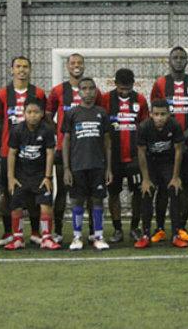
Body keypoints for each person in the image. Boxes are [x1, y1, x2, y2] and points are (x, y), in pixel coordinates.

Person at [150, 46, 188, 243]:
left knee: (187, 185)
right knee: (164, 186)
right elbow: (156, 113)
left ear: (187, 61)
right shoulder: (160, 84)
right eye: (175, 57)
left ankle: (181, 227)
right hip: (164, 146)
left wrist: (183, 135)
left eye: (182, 57)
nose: (179, 60)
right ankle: (159, 228)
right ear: (169, 60)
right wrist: (172, 137)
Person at [47, 53, 102, 243]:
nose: (76, 65)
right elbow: (47, 116)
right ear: (67, 66)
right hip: (66, 149)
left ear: (84, 66)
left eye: (80, 62)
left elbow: (97, 116)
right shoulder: (57, 91)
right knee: (63, 190)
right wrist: (62, 132)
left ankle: (94, 232)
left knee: (90, 193)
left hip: (88, 150)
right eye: (73, 63)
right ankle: (59, 231)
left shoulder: (95, 92)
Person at [0, 56, 47, 246]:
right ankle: (10, 232)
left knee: (34, 192)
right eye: (18, 67)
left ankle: (34, 232)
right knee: (8, 193)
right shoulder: (2, 94)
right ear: (11, 70)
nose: (21, 70)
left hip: (34, 152)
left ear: (30, 70)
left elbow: (44, 120)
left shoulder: (39, 93)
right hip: (10, 152)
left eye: (25, 67)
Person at [62, 78, 112, 251]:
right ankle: (77, 237)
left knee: (97, 201)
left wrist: (109, 168)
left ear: (96, 91)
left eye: (92, 88)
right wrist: (67, 168)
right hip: (77, 166)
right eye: (84, 88)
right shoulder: (71, 113)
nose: (88, 92)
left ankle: (98, 235)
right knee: (77, 201)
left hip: (97, 165)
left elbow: (107, 142)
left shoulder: (102, 113)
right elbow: (66, 141)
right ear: (79, 92)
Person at [100, 68, 148, 243]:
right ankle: (117, 229)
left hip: (134, 158)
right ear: (115, 84)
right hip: (114, 159)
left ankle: (134, 228)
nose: (124, 92)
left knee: (137, 193)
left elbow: (144, 127)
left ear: (133, 85)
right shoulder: (106, 99)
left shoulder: (140, 100)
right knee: (114, 194)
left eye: (128, 88)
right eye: (121, 88)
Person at [5, 98, 59, 250]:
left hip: (40, 175)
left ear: (42, 114)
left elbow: (50, 154)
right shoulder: (17, 130)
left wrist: (48, 177)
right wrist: (11, 177)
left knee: (46, 205)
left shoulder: (47, 130)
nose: (32, 115)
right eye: (29, 112)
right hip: (21, 175)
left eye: (36, 112)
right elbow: (12, 154)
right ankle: (18, 238)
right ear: (24, 113)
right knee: (16, 205)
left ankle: (47, 237)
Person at [135, 99, 185, 248]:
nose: (159, 117)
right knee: (147, 191)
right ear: (151, 114)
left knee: (174, 190)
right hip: (150, 163)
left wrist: (175, 177)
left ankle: (176, 234)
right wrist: (145, 179)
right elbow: (141, 153)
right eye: (156, 114)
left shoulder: (174, 125)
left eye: (163, 114)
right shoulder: (144, 127)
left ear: (169, 114)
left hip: (167, 163)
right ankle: (145, 235)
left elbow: (178, 150)